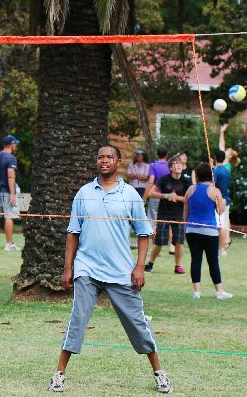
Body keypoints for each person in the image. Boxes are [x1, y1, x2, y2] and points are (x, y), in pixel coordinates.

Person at [48, 145, 171, 394]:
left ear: (118, 162)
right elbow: (73, 233)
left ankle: (159, 372)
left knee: (137, 323)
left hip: (120, 271)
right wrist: (68, 268)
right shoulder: (84, 193)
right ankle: (59, 374)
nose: (104, 160)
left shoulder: (130, 195)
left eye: (109, 157)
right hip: (87, 267)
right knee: (77, 318)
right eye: (100, 157)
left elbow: (144, 233)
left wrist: (139, 268)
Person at [184, 162, 232, 299]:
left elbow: (185, 212)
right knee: (213, 261)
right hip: (209, 231)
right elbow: (220, 210)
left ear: (198, 175)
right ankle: (219, 291)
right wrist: (222, 200)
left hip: (191, 230)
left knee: (195, 260)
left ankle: (197, 292)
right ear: (212, 175)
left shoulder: (190, 189)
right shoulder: (215, 191)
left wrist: (186, 227)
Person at [145, 155, 190, 274]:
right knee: (159, 241)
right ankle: (150, 264)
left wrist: (177, 198)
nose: (178, 165)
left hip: (178, 214)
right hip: (164, 213)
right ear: (170, 167)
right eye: (175, 163)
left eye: (180, 163)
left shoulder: (186, 181)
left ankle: (178, 266)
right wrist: (166, 196)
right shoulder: (164, 179)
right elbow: (151, 193)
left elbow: (188, 199)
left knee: (179, 240)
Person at [0, 135, 20, 250]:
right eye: (15, 144)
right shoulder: (11, 158)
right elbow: (10, 177)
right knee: (9, 217)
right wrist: (12, 194)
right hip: (6, 191)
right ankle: (9, 244)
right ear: (11, 145)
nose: (16, 146)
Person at [144, 145, 170, 251]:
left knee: (153, 222)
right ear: (167, 155)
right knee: (168, 221)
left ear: (157, 154)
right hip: (167, 197)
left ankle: (155, 247)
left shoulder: (153, 165)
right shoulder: (170, 166)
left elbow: (151, 181)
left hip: (155, 196)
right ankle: (171, 246)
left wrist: (145, 197)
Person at [213, 150, 232, 256]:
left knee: (219, 225)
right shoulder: (227, 170)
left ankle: (220, 249)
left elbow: (213, 186)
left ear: (216, 158)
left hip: (218, 201)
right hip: (226, 199)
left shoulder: (215, 171)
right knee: (224, 225)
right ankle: (223, 249)